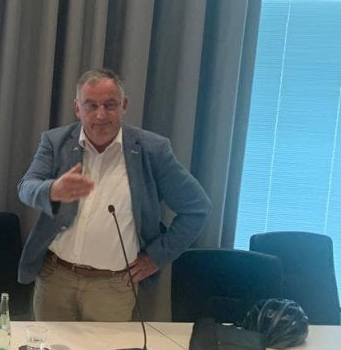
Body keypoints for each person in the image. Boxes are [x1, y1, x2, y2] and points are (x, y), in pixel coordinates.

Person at [17, 68, 211, 321]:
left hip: (113, 287)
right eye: (91, 106)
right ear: (77, 108)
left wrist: (156, 257)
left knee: (105, 349)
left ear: (124, 105)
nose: (100, 115)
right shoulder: (56, 142)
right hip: (56, 279)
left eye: (110, 105)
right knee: (48, 348)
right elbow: (26, 187)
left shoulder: (153, 150)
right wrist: (52, 190)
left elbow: (197, 209)